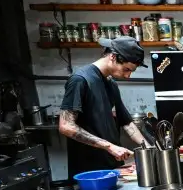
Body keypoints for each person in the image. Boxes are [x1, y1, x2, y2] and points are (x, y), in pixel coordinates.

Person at [59, 36, 149, 178]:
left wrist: (149, 149)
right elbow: (66, 126)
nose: (128, 76)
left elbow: (126, 123)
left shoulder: (110, 83)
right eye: (126, 69)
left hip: (112, 168)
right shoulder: (80, 80)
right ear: (113, 57)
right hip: (89, 172)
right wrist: (109, 146)